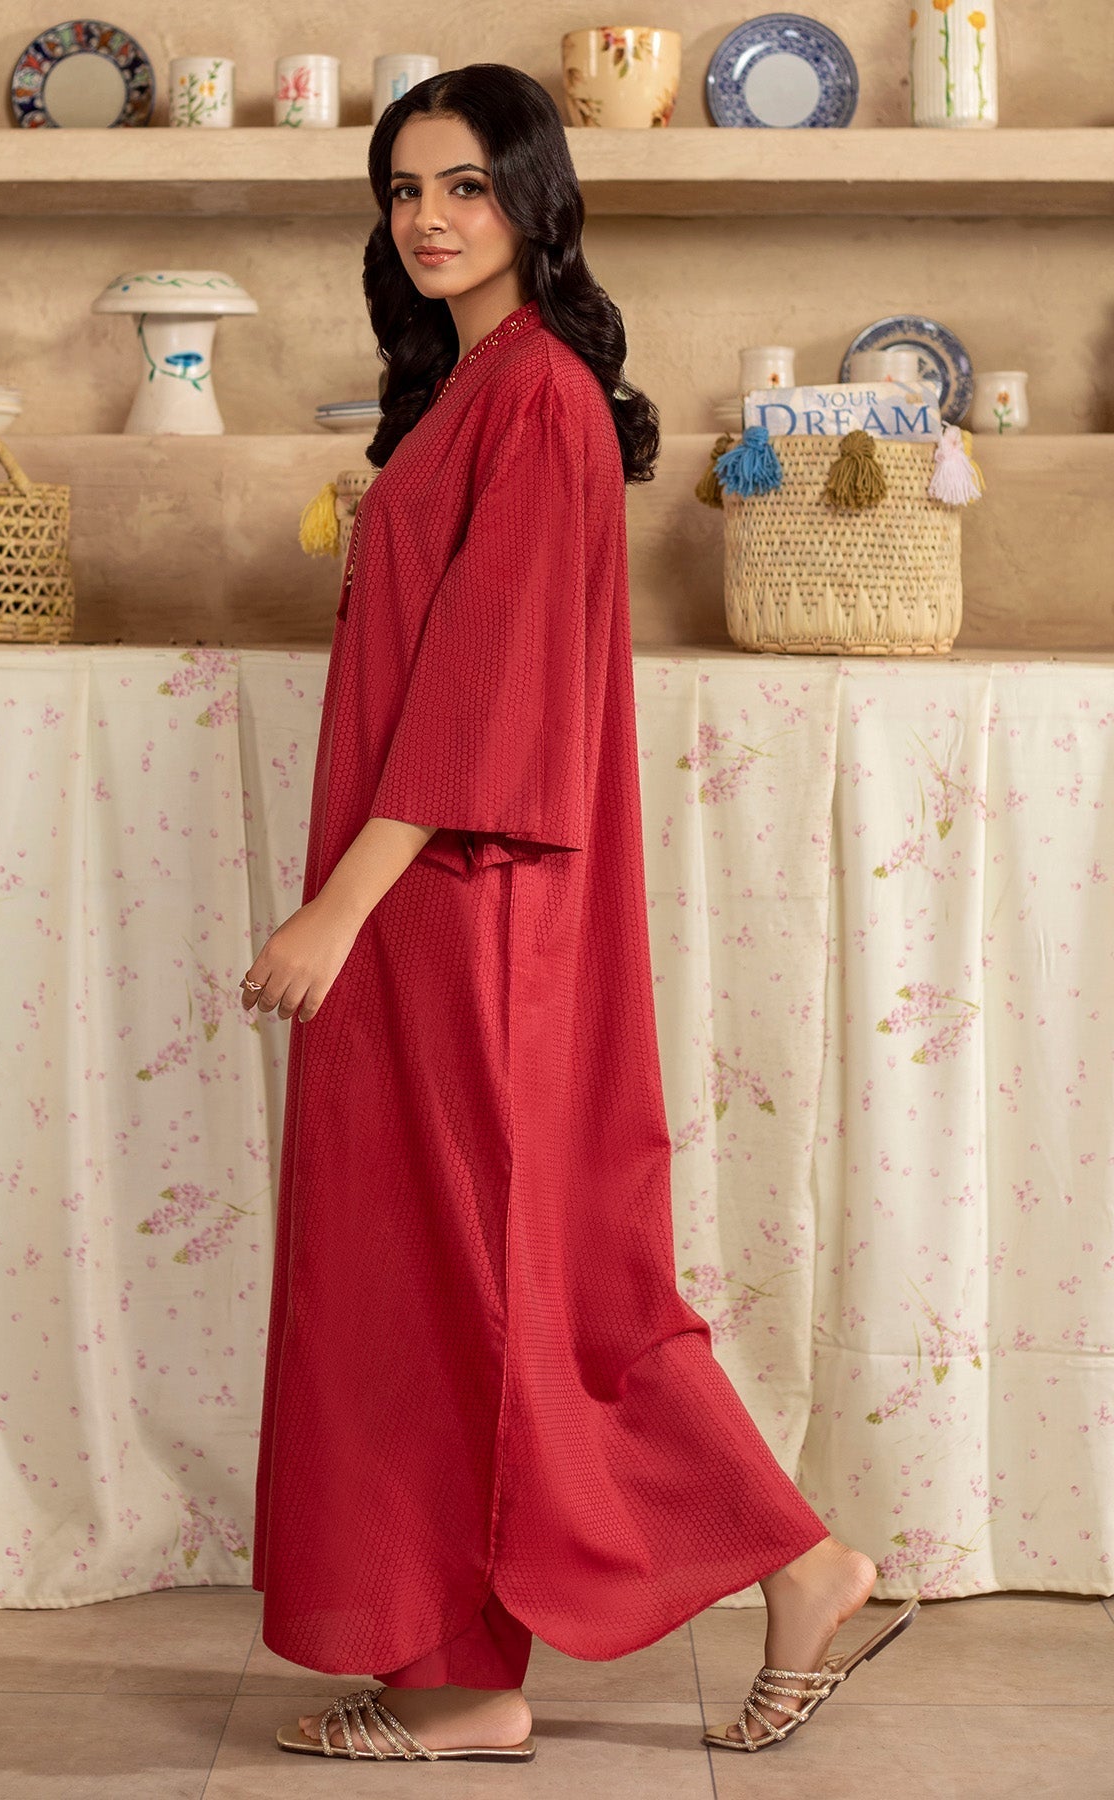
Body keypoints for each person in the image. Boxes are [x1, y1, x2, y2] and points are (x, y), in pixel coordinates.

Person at [242, 62, 918, 1763]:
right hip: (429, 905)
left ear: (534, 199)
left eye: (465, 186)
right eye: (404, 190)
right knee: (438, 1282)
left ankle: (788, 1564)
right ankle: (468, 1677)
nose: (428, 219)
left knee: (520, 1280)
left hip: (462, 906)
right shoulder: (470, 391)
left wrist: (336, 910)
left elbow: (482, 695)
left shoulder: (537, 398)